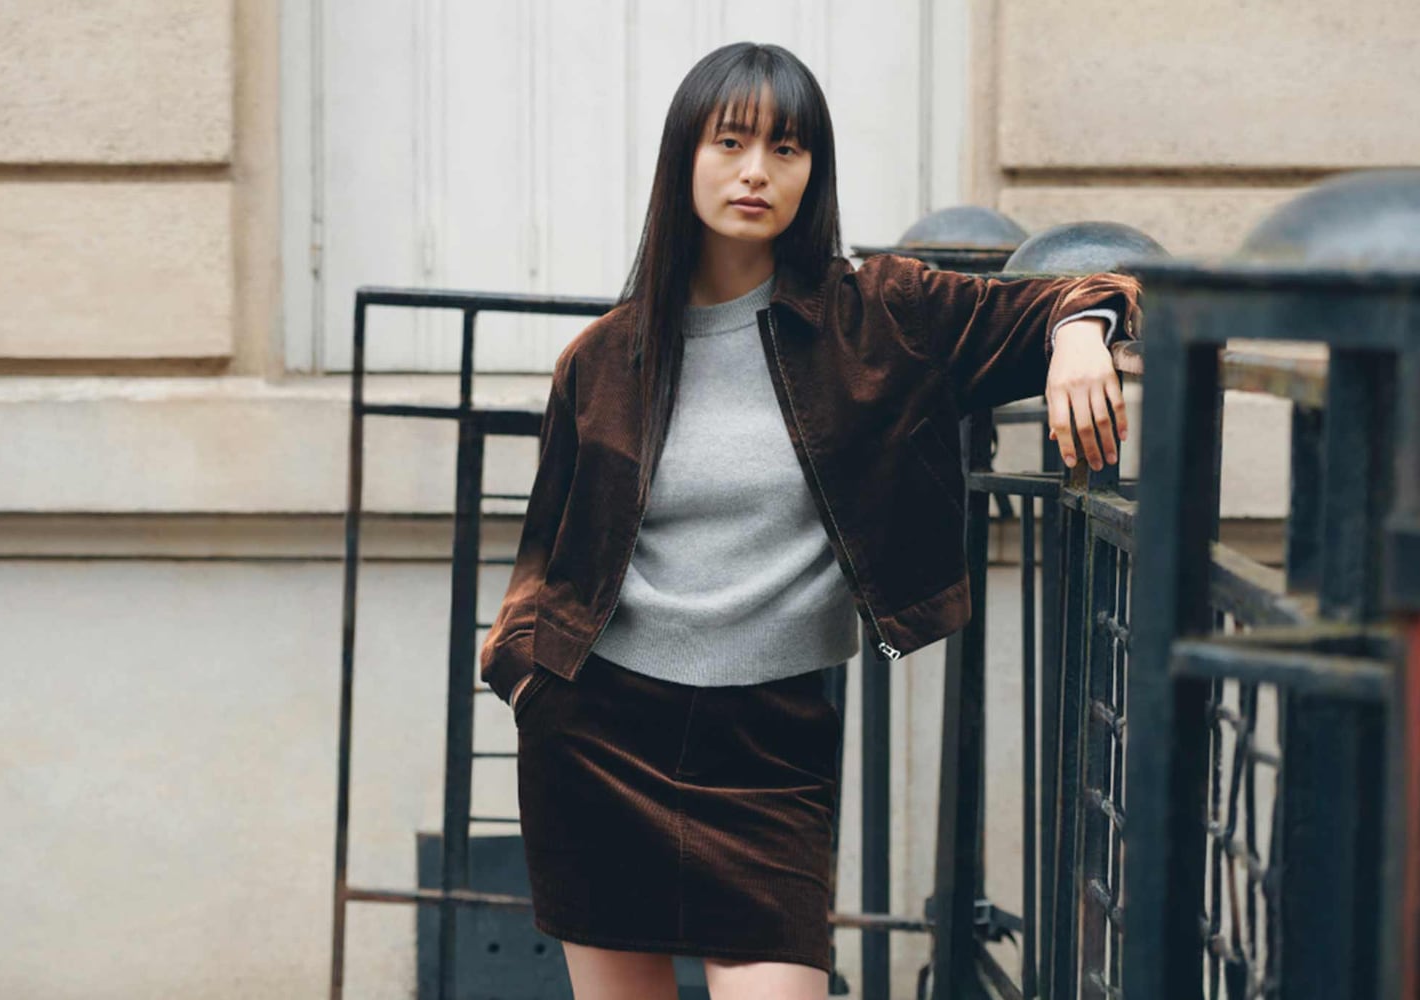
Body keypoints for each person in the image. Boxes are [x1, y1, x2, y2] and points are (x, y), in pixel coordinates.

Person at [479, 41, 1139, 1000]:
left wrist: (1081, 331)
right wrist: (522, 674)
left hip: (769, 747)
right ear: (683, 157)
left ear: (812, 172)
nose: (756, 171)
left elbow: (1082, 290)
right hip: (599, 739)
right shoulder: (602, 360)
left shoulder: (876, 315)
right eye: (731, 142)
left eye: (785, 149)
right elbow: (546, 552)